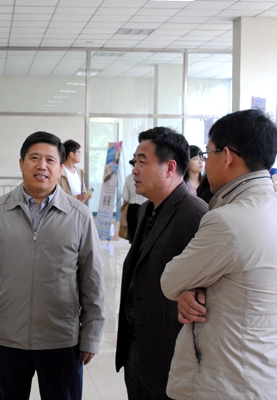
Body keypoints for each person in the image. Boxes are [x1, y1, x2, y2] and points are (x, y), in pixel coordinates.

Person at [161, 109, 277, 399]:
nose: (205, 164)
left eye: (208, 153)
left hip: (231, 380)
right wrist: (194, 287)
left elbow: (171, 280)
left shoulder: (229, 220)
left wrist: (187, 287)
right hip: (272, 376)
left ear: (226, 156)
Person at [0, 131, 105, 400]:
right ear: (21, 164)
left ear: (61, 168)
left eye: (50, 160)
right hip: (7, 339)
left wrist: (91, 334)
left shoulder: (79, 216)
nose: (42, 166)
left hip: (62, 340)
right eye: (34, 158)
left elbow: (93, 280)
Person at [115, 127, 208, 400]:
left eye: (142, 162)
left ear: (169, 167)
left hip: (168, 353)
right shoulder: (147, 208)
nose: (134, 170)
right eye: (135, 161)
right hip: (137, 346)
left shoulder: (195, 215)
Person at [121, 158, 147, 243]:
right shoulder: (147, 177)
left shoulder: (129, 178)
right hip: (146, 207)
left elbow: (125, 196)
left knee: (133, 236)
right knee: (144, 235)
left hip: (132, 208)